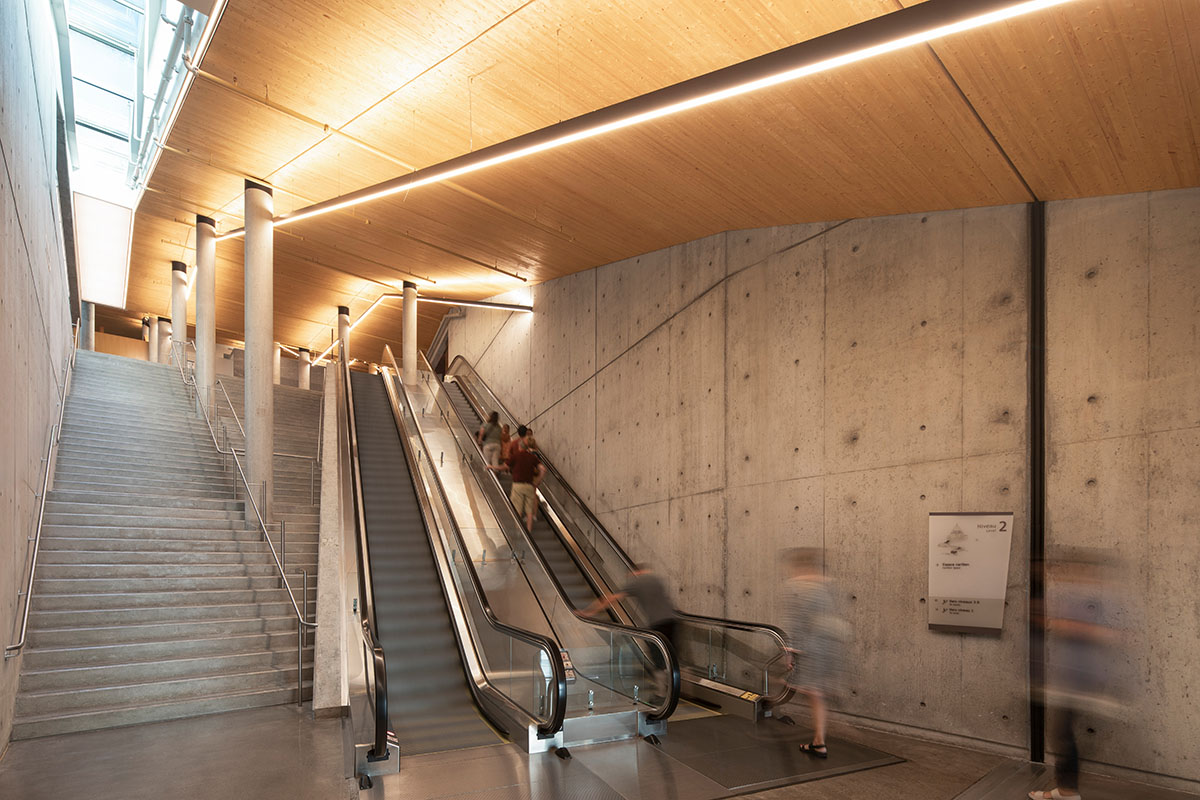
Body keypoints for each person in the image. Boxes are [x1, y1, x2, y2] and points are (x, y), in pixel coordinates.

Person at [1030, 547, 1124, 800]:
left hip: (1079, 677)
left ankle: (1067, 792)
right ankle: (1066, 790)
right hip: (1072, 675)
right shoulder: (1077, 594)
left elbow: (1101, 632)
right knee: (1061, 733)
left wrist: (1059, 624)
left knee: (1061, 734)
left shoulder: (1092, 596)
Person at [779, 547, 845, 759]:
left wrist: (789, 651)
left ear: (797, 565)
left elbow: (794, 621)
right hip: (828, 646)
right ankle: (819, 741)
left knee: (810, 691)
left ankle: (819, 742)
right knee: (817, 694)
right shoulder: (826, 585)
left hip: (809, 648)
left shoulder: (794, 586)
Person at [584, 563, 677, 703]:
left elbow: (611, 599)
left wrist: (589, 612)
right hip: (672, 620)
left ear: (635, 573)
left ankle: (661, 694)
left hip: (657, 625)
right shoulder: (656, 579)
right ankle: (678, 689)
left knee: (658, 660)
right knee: (671, 656)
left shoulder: (637, 582)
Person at [507, 436, 545, 531]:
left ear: (520, 446)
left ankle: (518, 531)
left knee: (518, 509)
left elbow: (507, 465)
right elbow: (543, 469)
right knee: (529, 509)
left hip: (521, 482)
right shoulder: (535, 455)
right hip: (530, 483)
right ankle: (529, 530)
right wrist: (537, 481)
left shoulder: (521, 455)